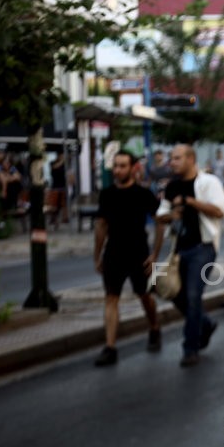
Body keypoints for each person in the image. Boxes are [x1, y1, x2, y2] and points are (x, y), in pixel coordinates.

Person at [153, 144, 224, 368]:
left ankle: (190, 348)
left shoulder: (209, 183)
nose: (172, 162)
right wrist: (171, 214)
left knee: (194, 295)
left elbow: (219, 211)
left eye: (176, 158)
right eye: (171, 158)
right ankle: (204, 324)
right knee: (174, 292)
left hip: (203, 247)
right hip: (179, 248)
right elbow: (161, 215)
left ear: (190, 159)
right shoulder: (173, 186)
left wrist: (191, 202)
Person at [93, 151, 162, 366]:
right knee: (111, 298)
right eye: (115, 166)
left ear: (133, 168)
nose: (118, 170)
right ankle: (110, 347)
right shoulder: (107, 194)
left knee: (144, 296)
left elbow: (160, 222)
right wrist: (97, 254)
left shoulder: (143, 194)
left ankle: (154, 327)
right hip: (113, 253)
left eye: (122, 166)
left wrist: (155, 255)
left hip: (138, 253)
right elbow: (101, 225)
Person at [49, 153, 70, 227]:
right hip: (55, 186)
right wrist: (62, 161)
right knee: (54, 204)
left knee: (64, 203)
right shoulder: (53, 163)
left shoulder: (65, 164)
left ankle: (65, 218)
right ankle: (53, 219)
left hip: (63, 186)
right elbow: (54, 167)